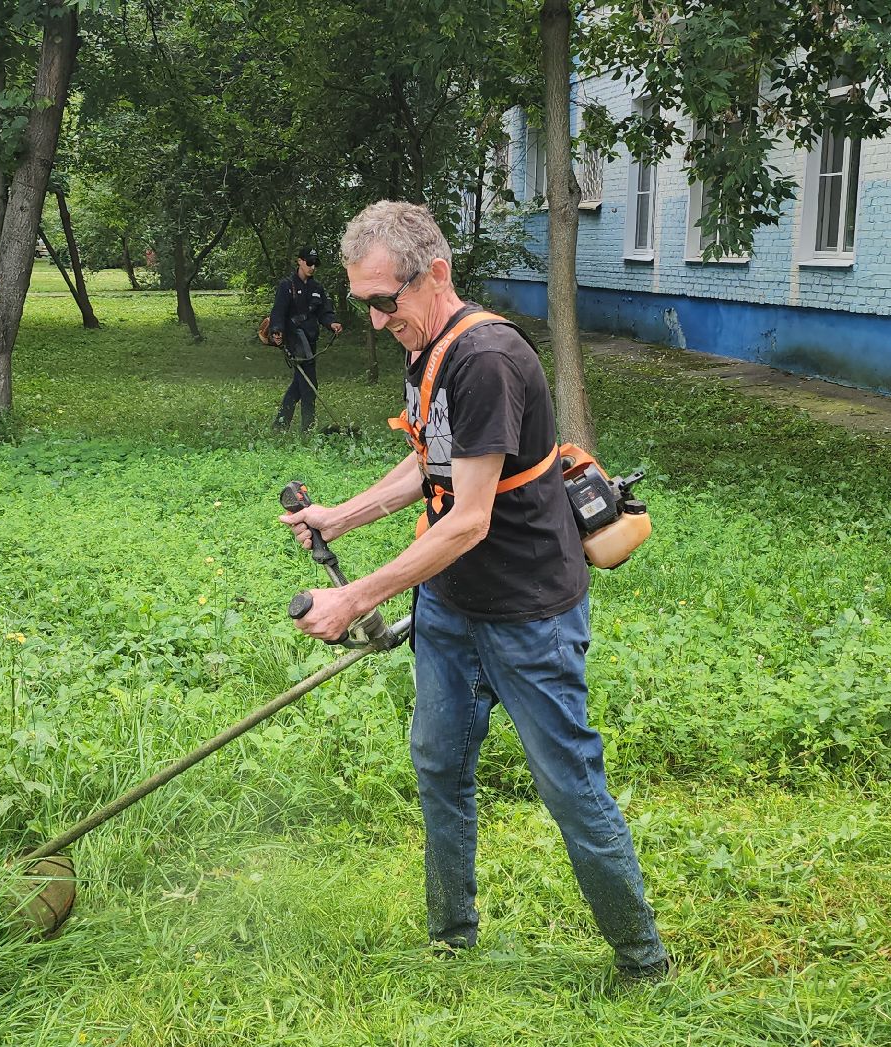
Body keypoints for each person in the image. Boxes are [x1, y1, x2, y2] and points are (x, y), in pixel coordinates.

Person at [279, 201, 670, 980]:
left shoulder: (484, 356)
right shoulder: (425, 348)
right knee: (439, 765)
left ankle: (642, 958)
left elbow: (468, 520)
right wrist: (341, 516)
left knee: (568, 786)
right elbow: (431, 461)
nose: (377, 319)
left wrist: (353, 598)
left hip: (529, 615)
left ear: (437, 275)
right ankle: (451, 938)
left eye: (386, 300)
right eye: (364, 304)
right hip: (453, 610)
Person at [268, 246, 342, 432]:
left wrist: (332, 323)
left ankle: (280, 424)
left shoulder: (317, 288)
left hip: (310, 340)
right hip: (294, 339)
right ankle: (307, 429)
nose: (312, 267)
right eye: (309, 262)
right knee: (309, 385)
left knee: (299, 384)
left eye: (315, 264)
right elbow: (278, 311)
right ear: (299, 261)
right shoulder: (287, 286)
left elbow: (324, 312)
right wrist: (277, 331)